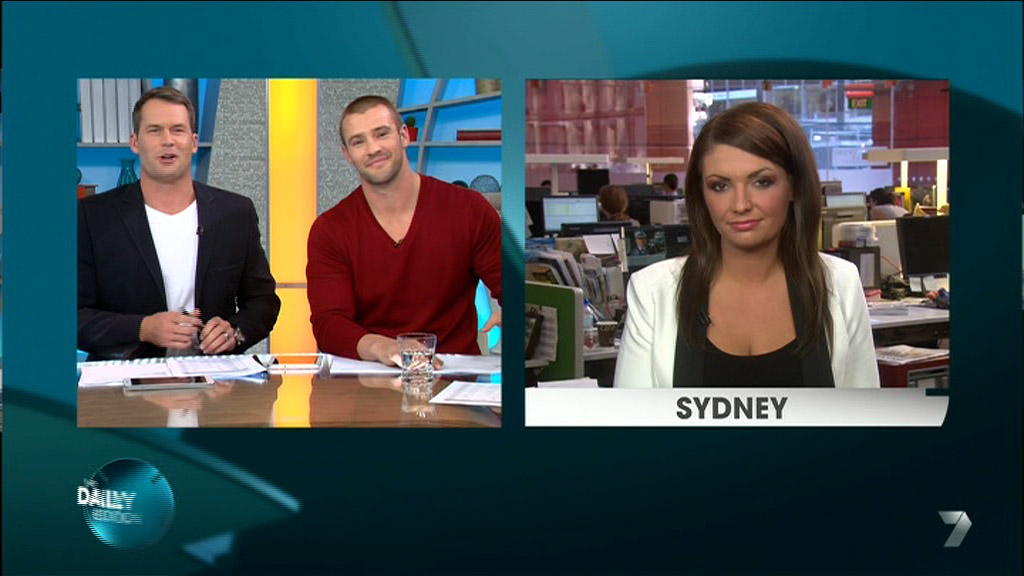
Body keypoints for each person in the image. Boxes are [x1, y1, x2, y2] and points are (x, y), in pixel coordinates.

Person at [614, 102, 878, 388]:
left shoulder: (840, 282)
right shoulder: (653, 291)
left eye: (761, 182)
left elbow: (862, 413)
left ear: (794, 186)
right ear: (701, 194)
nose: (740, 205)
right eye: (720, 186)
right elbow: (635, 417)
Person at [78, 86, 281, 361]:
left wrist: (234, 331)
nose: (168, 141)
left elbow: (263, 301)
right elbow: (74, 315)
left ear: (194, 142)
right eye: (155, 131)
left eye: (178, 130)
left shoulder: (235, 213)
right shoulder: (93, 216)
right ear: (135, 142)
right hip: (125, 375)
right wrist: (142, 328)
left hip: (213, 376)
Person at [306, 95, 502, 366]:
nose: (373, 148)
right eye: (358, 142)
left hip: (454, 377)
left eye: (381, 134)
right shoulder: (330, 230)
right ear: (347, 154)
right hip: (367, 379)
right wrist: (385, 348)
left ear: (404, 136)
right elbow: (330, 324)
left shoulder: (469, 209)